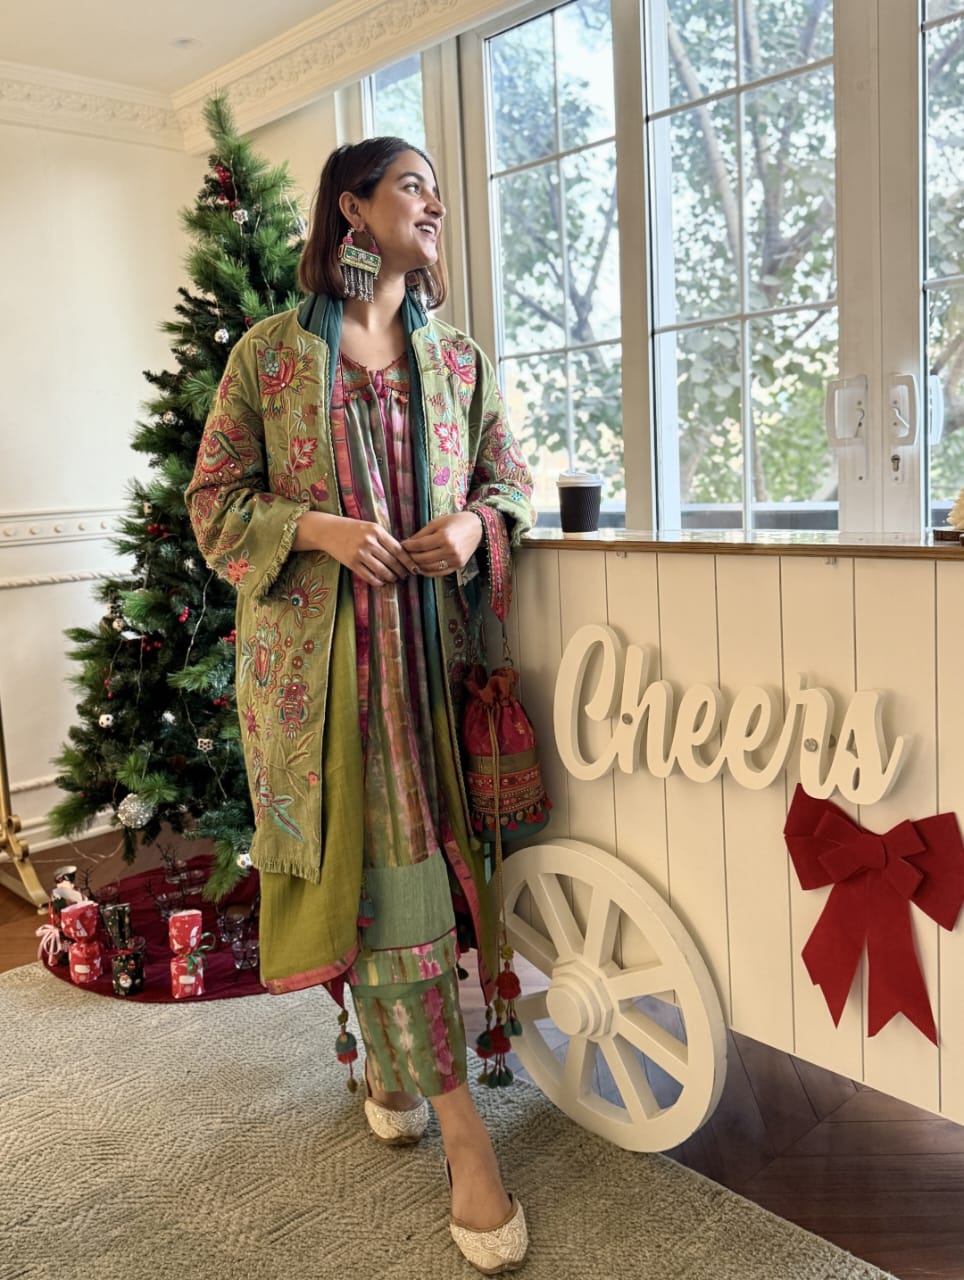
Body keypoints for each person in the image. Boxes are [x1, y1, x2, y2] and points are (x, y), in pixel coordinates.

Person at [185, 137, 535, 1274]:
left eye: (437, 188)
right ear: (353, 209)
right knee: (384, 885)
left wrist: (474, 524)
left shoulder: (461, 359)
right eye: (412, 186)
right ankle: (467, 1138)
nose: (436, 205)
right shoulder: (267, 357)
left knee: (416, 886)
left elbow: (509, 478)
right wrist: (317, 528)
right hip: (326, 687)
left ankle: (395, 1070)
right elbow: (213, 502)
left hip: (437, 666)